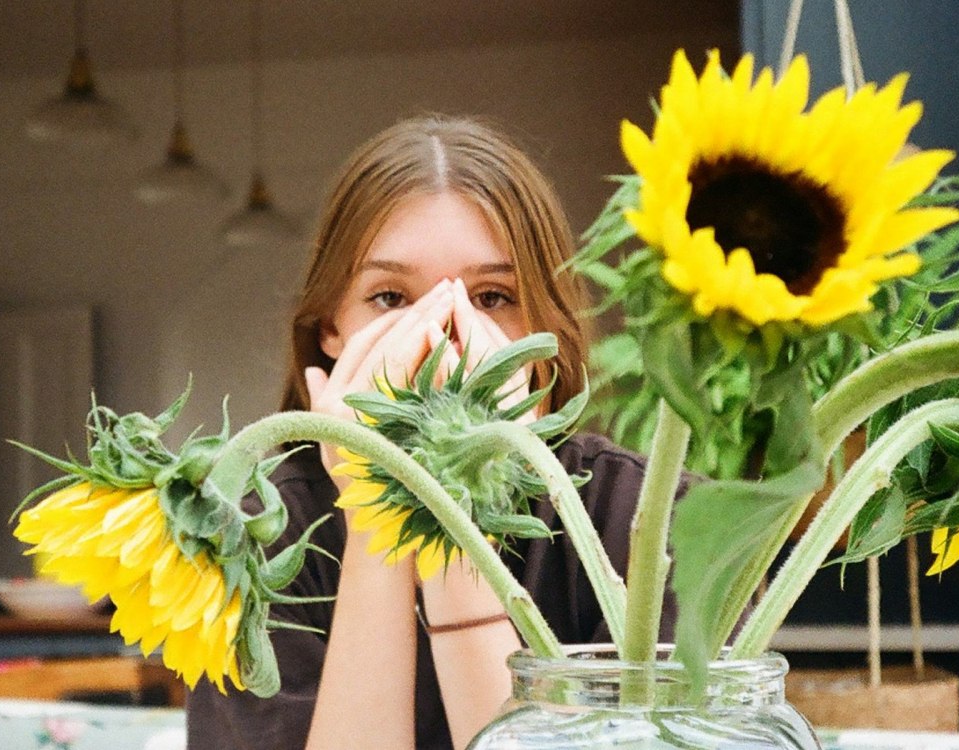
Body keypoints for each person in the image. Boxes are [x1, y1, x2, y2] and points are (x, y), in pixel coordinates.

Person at [186, 114, 674, 749]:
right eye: (390, 298)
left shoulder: (644, 519)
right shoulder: (249, 543)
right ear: (330, 328)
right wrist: (376, 522)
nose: (440, 336)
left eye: (493, 297)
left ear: (546, 333)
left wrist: (459, 531)